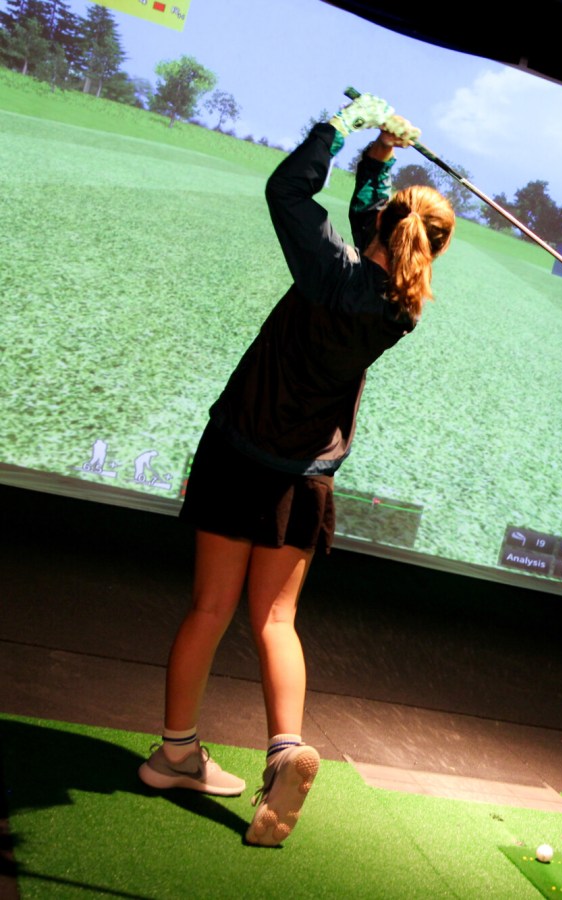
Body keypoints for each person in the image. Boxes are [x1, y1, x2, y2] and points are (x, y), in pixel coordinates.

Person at [137, 92, 455, 847]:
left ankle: (176, 753)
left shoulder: (329, 272)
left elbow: (287, 190)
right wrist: (379, 160)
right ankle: (285, 748)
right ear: (429, 249)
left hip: (239, 452)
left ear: (386, 228)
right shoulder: (399, 308)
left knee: (210, 608)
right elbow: (371, 228)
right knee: (276, 619)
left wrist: (337, 129)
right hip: (304, 476)